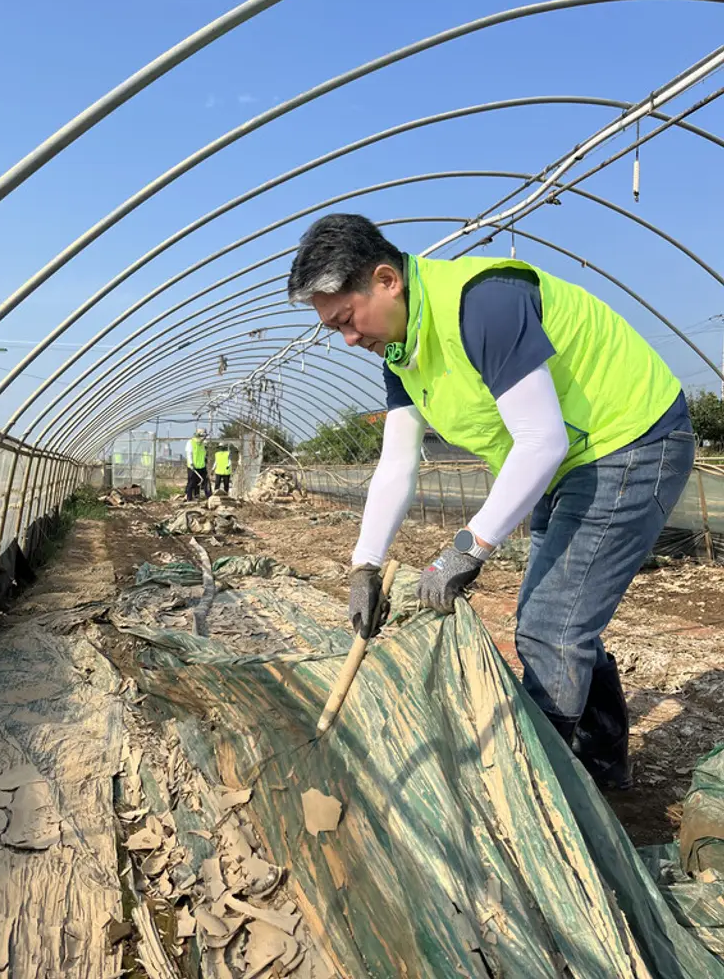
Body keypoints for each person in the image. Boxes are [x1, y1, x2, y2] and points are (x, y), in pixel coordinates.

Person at [287, 213, 695, 789]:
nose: (350, 339)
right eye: (336, 330)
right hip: (572, 460)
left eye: (348, 320)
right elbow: (398, 463)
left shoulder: (482, 305)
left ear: (386, 280)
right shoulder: (405, 350)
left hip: (630, 441)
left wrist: (468, 548)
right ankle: (604, 766)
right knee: (558, 617)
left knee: (552, 628)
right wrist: (365, 563)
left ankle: (535, 802)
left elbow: (541, 439)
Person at [185, 428, 211, 501]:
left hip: (202, 466)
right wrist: (191, 463)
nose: (204, 438)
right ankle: (189, 498)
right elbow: (189, 454)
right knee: (192, 482)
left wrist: (205, 459)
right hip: (193, 467)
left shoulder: (202, 444)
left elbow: (203, 454)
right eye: (203, 436)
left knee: (205, 482)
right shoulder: (190, 442)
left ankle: (208, 497)